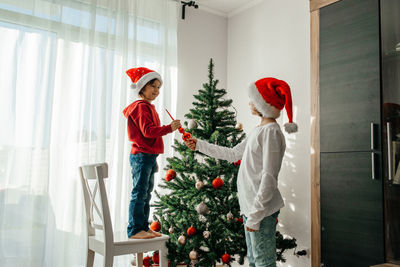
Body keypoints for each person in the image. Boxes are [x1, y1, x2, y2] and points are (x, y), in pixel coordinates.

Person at [185, 77, 297, 266]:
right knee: (254, 260)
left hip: (259, 211)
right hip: (250, 208)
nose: (250, 103)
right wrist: (199, 145)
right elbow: (232, 153)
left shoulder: (271, 132)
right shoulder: (258, 130)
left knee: (263, 262)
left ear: (264, 103)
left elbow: (269, 176)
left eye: (254, 98)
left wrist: (255, 215)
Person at [123, 67, 181, 239]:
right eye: (153, 86)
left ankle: (143, 227)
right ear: (142, 88)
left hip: (147, 156)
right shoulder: (141, 107)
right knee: (139, 192)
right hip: (141, 156)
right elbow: (148, 132)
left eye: (158, 88)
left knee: (146, 192)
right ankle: (134, 230)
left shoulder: (147, 107)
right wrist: (168, 128)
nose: (156, 91)